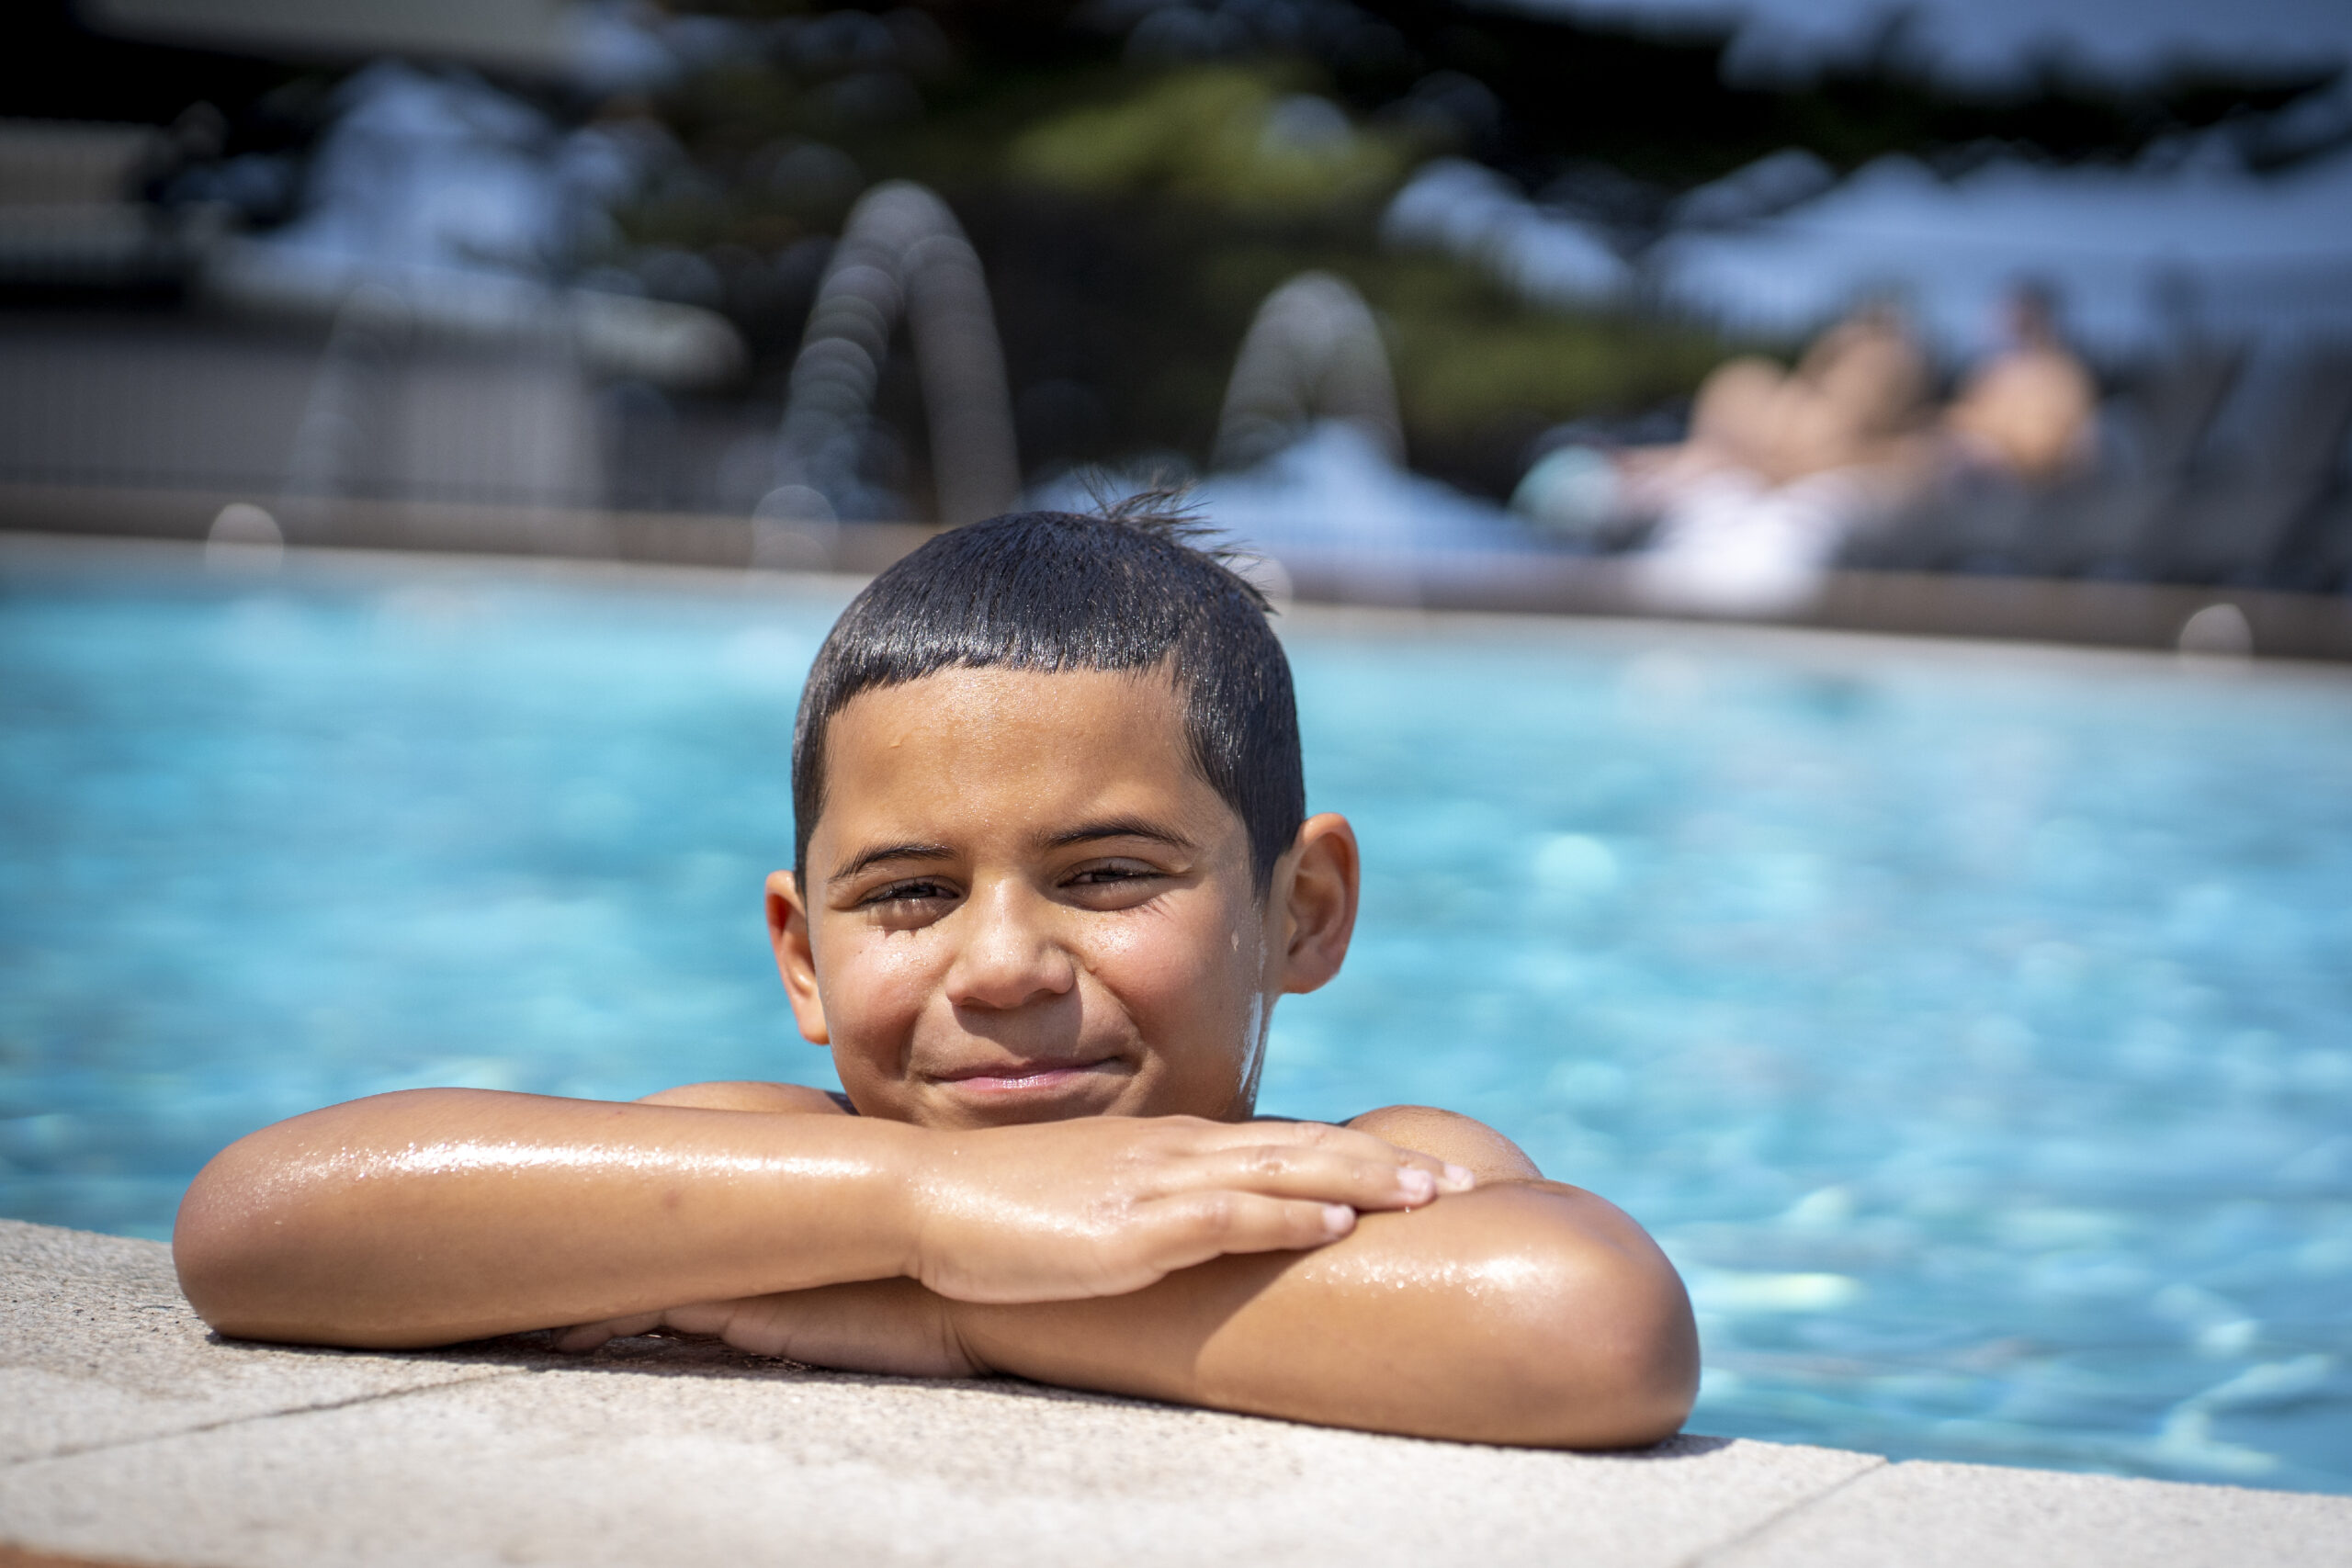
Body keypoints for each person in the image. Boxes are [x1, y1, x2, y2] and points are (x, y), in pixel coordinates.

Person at [172, 502, 1698, 1450]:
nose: (1004, 966)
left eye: (1107, 877)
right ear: (804, 960)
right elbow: (264, 1226)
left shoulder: (1364, 1184)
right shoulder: (790, 1164)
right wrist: (925, 1209)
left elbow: (1590, 1330)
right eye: (908, 895)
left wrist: (957, 1315)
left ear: (1301, 910)